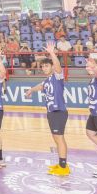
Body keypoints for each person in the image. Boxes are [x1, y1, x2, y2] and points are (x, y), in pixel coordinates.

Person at [25, 42, 69, 176]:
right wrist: (31, 90)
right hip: (51, 112)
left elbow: (58, 67)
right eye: (43, 66)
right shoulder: (48, 79)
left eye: (46, 66)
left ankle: (64, 167)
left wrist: (52, 53)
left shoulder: (57, 76)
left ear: (51, 67)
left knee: (59, 139)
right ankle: (61, 163)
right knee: (56, 138)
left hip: (58, 111)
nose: (44, 68)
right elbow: (41, 86)